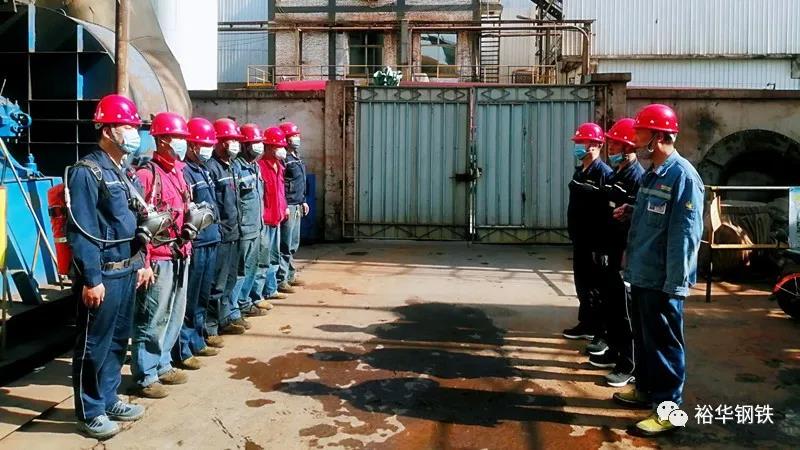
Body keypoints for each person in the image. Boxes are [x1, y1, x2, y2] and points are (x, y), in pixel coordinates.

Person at [612, 104, 704, 437]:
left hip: (663, 280)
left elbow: (685, 234)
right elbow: (654, 215)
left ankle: (668, 411)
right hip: (642, 273)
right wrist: (631, 210)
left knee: (664, 345)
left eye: (641, 132)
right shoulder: (654, 172)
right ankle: (645, 390)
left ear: (658, 136)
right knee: (644, 339)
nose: (635, 137)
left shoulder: (683, 177)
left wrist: (676, 284)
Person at [69, 94, 154, 439]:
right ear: (106, 130)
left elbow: (135, 221)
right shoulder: (87, 172)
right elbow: (82, 230)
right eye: (126, 126)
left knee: (118, 340)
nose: (133, 133)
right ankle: (90, 411)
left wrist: (141, 262)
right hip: (103, 274)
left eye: (134, 127)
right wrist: (92, 279)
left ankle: (108, 398)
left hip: (126, 270)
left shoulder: (123, 171)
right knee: (94, 345)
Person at [131, 112, 194, 399]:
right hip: (158, 257)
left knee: (174, 313)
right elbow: (137, 224)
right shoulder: (147, 175)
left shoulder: (178, 172)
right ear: (163, 140)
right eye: (178, 137)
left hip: (180, 254)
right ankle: (145, 375)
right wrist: (143, 262)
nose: (182, 143)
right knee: (152, 318)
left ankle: (163, 363)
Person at [588, 118, 644, 388]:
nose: (611, 148)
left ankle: (629, 363)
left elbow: (634, 221)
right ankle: (614, 349)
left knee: (625, 310)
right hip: (610, 247)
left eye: (617, 144)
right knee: (612, 304)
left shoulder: (637, 177)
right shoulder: (617, 173)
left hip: (623, 251)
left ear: (628, 146)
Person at [173, 117, 223, 366]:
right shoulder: (185, 172)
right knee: (189, 299)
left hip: (211, 239)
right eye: (204, 145)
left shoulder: (203, 170)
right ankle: (183, 348)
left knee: (202, 295)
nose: (208, 149)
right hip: (197, 243)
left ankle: (198, 340)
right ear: (192, 146)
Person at [563, 123, 613, 342]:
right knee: (582, 283)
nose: (579, 146)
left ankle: (595, 327)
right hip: (580, 237)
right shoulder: (580, 171)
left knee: (594, 286)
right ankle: (585, 323)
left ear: (596, 145)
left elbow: (607, 211)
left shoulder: (604, 174)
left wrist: (601, 244)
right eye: (578, 142)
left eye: (582, 142)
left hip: (594, 241)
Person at [206, 118, 249, 335]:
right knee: (217, 284)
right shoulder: (212, 168)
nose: (235, 144)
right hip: (222, 236)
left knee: (230, 279)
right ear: (221, 142)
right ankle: (211, 327)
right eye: (232, 140)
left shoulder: (231, 166)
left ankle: (225, 319)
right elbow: (212, 205)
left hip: (235, 232)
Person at [231, 123, 269, 318]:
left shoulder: (255, 166)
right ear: (245, 146)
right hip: (244, 229)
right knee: (240, 270)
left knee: (252, 267)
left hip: (257, 226)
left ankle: (245, 302)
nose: (259, 147)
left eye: (260, 142)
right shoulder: (236, 168)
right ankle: (234, 309)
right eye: (255, 143)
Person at [251, 126, 290, 305]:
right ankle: (257, 296)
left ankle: (271, 289)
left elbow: (281, 191)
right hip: (265, 220)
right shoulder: (260, 167)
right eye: (277, 146)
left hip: (277, 218)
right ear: (268, 147)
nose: (281, 150)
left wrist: (284, 208)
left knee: (274, 256)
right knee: (262, 259)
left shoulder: (279, 167)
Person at [276, 122, 309, 293]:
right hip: (288, 204)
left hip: (297, 203)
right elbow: (280, 185)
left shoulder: (296, 156)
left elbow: (300, 181)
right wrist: (284, 205)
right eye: (293, 136)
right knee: (285, 244)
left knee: (293, 243)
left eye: (297, 135)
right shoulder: (283, 159)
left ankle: (290, 274)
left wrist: (303, 200)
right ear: (286, 139)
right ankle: (281, 279)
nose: (297, 138)